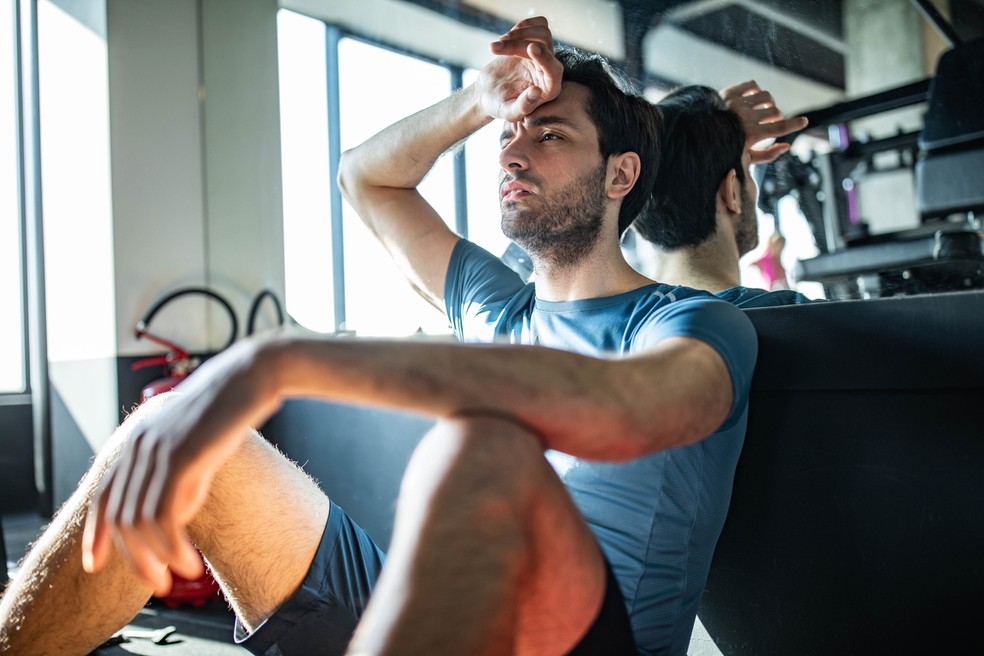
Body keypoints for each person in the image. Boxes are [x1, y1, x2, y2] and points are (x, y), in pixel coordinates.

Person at [0, 18, 756, 656]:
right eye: (508, 136)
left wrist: (277, 361)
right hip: (432, 622)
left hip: (577, 639)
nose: (512, 153)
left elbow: (624, 410)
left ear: (620, 175)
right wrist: (477, 98)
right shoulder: (495, 305)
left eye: (549, 135)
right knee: (160, 430)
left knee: (486, 450)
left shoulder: (688, 321)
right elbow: (365, 177)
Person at [633, 81, 815, 307]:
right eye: (748, 169)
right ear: (731, 192)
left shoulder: (626, 326)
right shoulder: (801, 316)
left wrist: (700, 132)